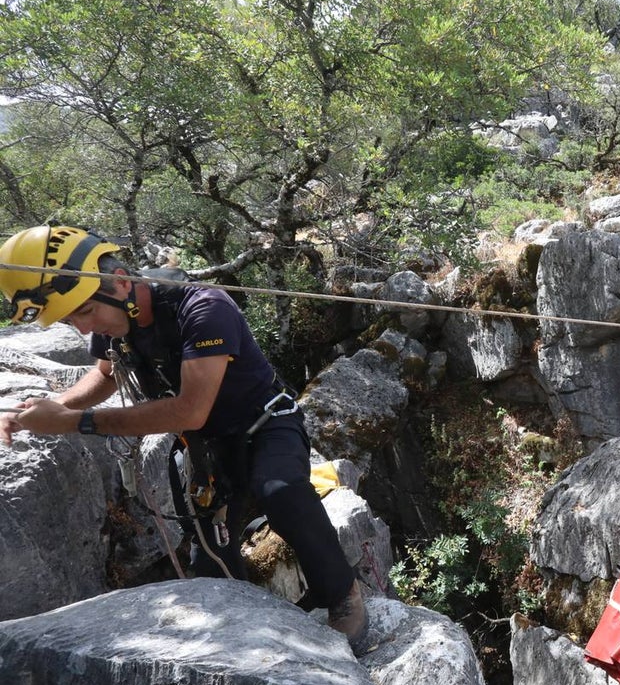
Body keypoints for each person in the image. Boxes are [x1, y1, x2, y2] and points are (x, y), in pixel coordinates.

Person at [0, 225, 368, 653]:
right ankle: (248, 629)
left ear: (121, 280)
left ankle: (342, 593)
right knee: (209, 559)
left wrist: (74, 423)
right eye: (71, 318)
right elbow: (105, 375)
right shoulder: (113, 314)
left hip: (264, 423)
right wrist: (49, 409)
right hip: (205, 444)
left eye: (82, 313)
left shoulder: (204, 308)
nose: (83, 329)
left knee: (281, 491)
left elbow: (190, 408)